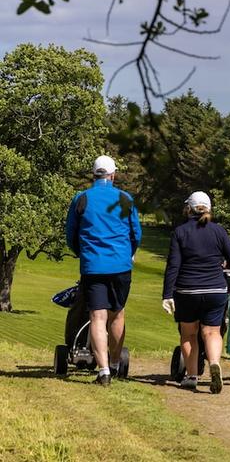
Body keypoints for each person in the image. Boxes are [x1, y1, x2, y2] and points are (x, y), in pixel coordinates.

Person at [65, 155, 142, 387]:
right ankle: (116, 362)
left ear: (94, 174)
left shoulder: (81, 198)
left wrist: (82, 252)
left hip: (93, 265)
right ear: (113, 175)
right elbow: (136, 234)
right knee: (117, 313)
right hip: (120, 265)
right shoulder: (125, 198)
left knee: (97, 317)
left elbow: (71, 234)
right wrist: (128, 253)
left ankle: (104, 370)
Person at [162, 191, 230, 393]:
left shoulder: (180, 232)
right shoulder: (218, 231)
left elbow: (173, 266)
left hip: (187, 290)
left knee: (189, 333)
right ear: (209, 209)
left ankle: (192, 376)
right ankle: (214, 363)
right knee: (212, 331)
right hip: (215, 288)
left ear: (188, 208)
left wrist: (167, 294)